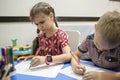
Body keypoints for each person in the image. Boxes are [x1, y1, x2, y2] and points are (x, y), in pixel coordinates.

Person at [17, 2, 71, 67]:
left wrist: (46, 59)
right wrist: (32, 57)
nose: (39, 27)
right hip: (45, 71)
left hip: (58, 72)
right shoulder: (42, 36)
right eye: (37, 24)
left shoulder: (61, 35)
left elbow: (68, 56)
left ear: (51, 16)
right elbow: (42, 56)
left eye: (42, 22)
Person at [71, 10, 120, 80]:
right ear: (95, 27)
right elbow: (75, 55)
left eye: (107, 49)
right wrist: (74, 65)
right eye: (97, 43)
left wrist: (102, 76)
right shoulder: (89, 40)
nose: (100, 49)